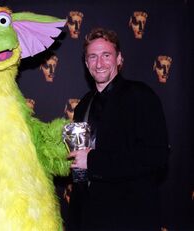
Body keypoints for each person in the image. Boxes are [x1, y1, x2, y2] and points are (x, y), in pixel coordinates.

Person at [67, 27, 169, 231]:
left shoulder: (141, 96)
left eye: (106, 55)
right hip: (90, 219)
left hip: (130, 218)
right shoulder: (83, 105)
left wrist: (93, 161)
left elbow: (156, 157)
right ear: (86, 64)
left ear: (119, 59)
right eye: (93, 57)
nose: (99, 63)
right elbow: (81, 162)